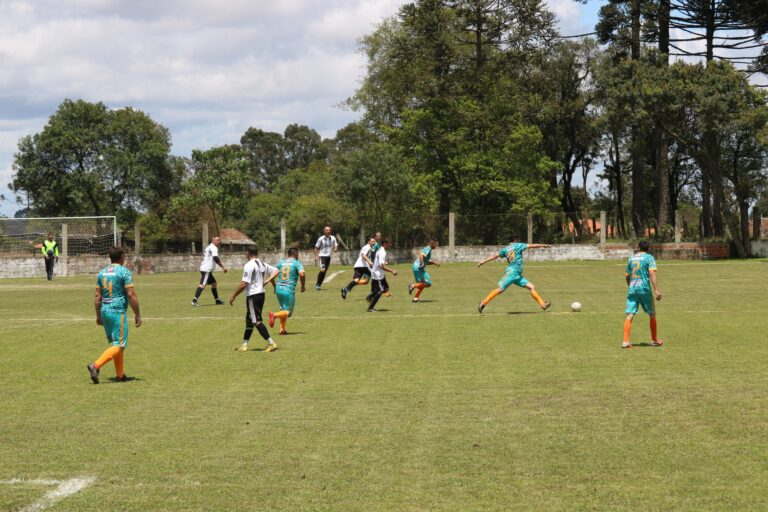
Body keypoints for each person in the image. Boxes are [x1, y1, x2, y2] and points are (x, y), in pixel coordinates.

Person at [87, 246, 142, 384]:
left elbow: (97, 296)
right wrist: (138, 314)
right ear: (122, 256)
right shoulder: (124, 272)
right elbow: (131, 295)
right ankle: (96, 365)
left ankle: (120, 375)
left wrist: (98, 315)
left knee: (117, 343)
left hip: (105, 311)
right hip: (118, 311)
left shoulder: (102, 272)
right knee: (120, 345)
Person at [477, 237, 552, 313]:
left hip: (516, 275)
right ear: (515, 240)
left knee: (531, 287)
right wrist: (544, 245)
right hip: (512, 273)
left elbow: (495, 255)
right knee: (500, 289)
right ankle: (483, 303)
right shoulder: (518, 245)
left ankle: (543, 304)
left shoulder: (505, 249)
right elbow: (532, 245)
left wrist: (483, 261)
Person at [230, 246, 279, 352]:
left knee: (255, 321)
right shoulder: (261, 263)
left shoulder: (249, 265)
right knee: (249, 320)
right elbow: (276, 271)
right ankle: (244, 344)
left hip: (253, 296)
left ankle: (271, 343)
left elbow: (244, 284)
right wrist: (270, 282)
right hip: (261, 294)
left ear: (248, 253)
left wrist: (233, 296)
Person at [622, 240, 663, 349]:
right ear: (648, 248)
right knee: (652, 314)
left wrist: (630, 286)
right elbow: (652, 273)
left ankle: (625, 341)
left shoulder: (632, 258)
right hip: (644, 289)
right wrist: (657, 290)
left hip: (633, 289)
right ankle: (654, 340)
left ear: (639, 247)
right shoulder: (649, 258)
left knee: (630, 314)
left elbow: (627, 275)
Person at [268, 247, 306, 335]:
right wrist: (303, 286)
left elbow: (273, 273)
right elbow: (302, 274)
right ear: (295, 254)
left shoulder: (281, 262)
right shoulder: (297, 263)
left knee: (283, 309)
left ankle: (282, 329)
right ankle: (274, 315)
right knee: (288, 312)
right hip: (288, 289)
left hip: (278, 288)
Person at [192, 236, 227, 306]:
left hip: (206, 269)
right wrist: (223, 267)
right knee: (202, 285)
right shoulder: (213, 247)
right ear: (213, 240)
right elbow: (216, 258)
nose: (218, 241)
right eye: (217, 240)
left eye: (219, 240)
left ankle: (217, 300)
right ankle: (194, 301)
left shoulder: (209, 247)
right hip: (206, 270)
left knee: (214, 283)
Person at [366, 238, 398, 312]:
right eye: (389, 243)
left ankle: (369, 297)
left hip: (377, 273)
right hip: (377, 274)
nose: (390, 245)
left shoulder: (380, 249)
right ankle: (370, 308)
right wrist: (392, 271)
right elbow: (381, 266)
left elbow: (379, 262)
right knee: (379, 291)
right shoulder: (382, 252)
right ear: (384, 244)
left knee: (386, 288)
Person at [408, 238, 440, 303]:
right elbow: (421, 254)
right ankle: (412, 286)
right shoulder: (427, 248)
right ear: (432, 243)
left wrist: (433, 263)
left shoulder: (428, 249)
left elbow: (425, 261)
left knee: (422, 284)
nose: (436, 246)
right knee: (427, 283)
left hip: (419, 268)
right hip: (418, 267)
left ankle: (415, 298)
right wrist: (422, 263)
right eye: (435, 244)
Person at [313, 226, 338, 290]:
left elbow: (335, 245)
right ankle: (318, 284)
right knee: (323, 269)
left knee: (324, 271)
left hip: (328, 257)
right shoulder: (321, 239)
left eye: (329, 230)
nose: (328, 231)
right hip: (322, 256)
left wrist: (335, 249)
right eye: (326, 230)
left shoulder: (333, 238)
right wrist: (316, 256)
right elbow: (316, 247)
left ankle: (319, 285)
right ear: (324, 231)